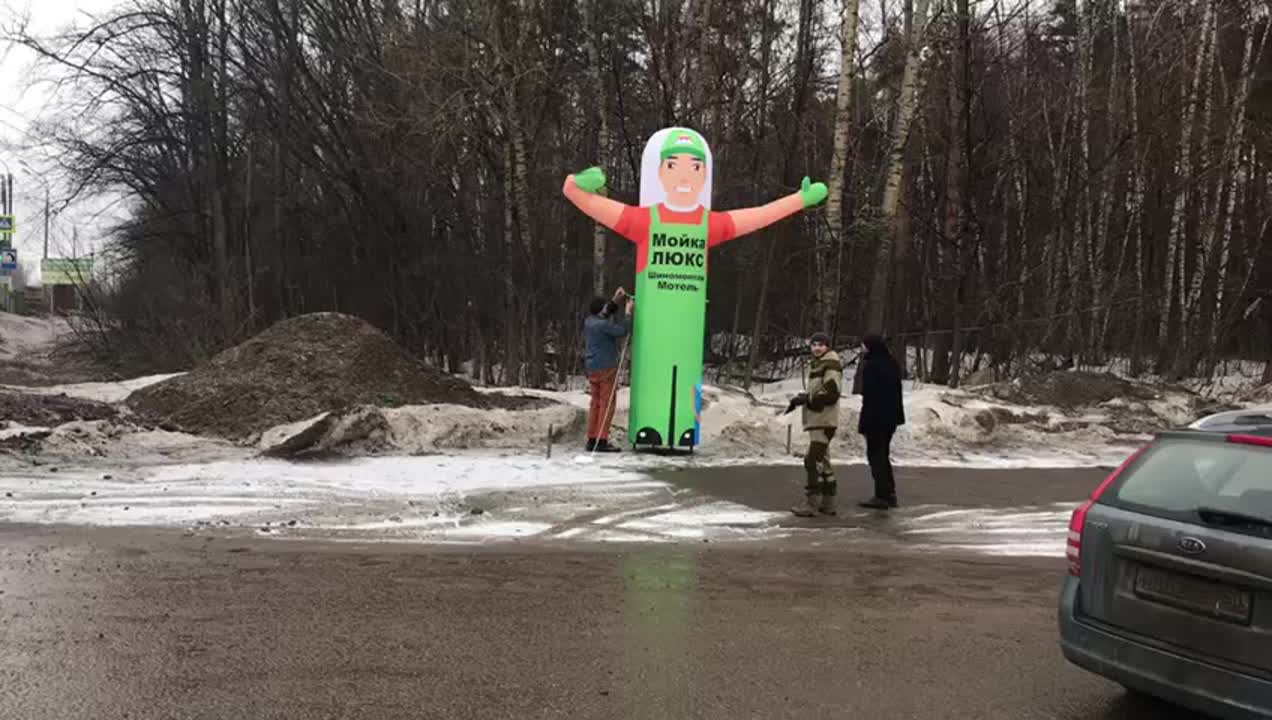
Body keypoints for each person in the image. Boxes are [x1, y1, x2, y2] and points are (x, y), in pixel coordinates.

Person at [784, 332, 842, 517]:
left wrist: (806, 399)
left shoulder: (830, 363)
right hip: (819, 420)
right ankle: (828, 503)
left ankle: (811, 503)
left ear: (828, 347)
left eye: (821, 345)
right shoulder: (820, 363)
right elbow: (820, 390)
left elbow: (832, 392)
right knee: (823, 462)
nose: (817, 348)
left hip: (823, 420)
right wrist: (804, 398)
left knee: (812, 460)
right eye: (814, 344)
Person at [857, 334, 905, 509]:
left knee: (876, 456)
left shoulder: (872, 366)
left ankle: (881, 495)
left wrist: (865, 422)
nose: (862, 349)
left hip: (875, 418)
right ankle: (889, 493)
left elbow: (870, 398)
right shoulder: (891, 364)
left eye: (864, 346)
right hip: (890, 418)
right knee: (883, 455)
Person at [583, 287, 634, 452]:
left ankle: (592, 439)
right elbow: (623, 331)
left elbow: (605, 312)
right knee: (607, 405)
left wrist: (615, 299)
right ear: (601, 310)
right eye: (606, 306)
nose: (608, 309)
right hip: (606, 368)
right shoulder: (603, 326)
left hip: (592, 367)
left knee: (595, 404)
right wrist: (628, 312)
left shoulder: (590, 321)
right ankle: (602, 441)